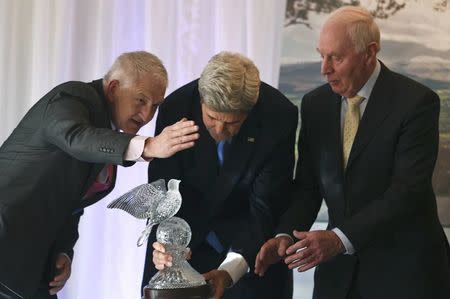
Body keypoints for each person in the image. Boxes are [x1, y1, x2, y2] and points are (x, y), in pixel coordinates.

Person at [254, 5, 450, 299]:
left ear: (369, 53)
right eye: (322, 55)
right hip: (337, 275)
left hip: (406, 272)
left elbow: (406, 191)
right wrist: (284, 234)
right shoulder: (314, 104)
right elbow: (308, 186)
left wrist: (338, 239)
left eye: (336, 57)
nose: (325, 69)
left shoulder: (417, 103)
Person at [0, 51, 200, 299]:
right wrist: (148, 146)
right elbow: (76, 137)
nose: (147, 115)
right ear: (114, 88)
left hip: (33, 260)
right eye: (140, 100)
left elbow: (71, 201)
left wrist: (63, 250)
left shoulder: (105, 127)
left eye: (155, 106)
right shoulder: (72, 97)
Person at [143, 51, 298, 298]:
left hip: (250, 252)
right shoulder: (177, 107)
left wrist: (229, 271)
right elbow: (163, 189)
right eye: (212, 118)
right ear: (201, 101)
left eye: (232, 123)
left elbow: (265, 205)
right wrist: (169, 244)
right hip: (181, 247)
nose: (219, 129)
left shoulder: (278, 116)